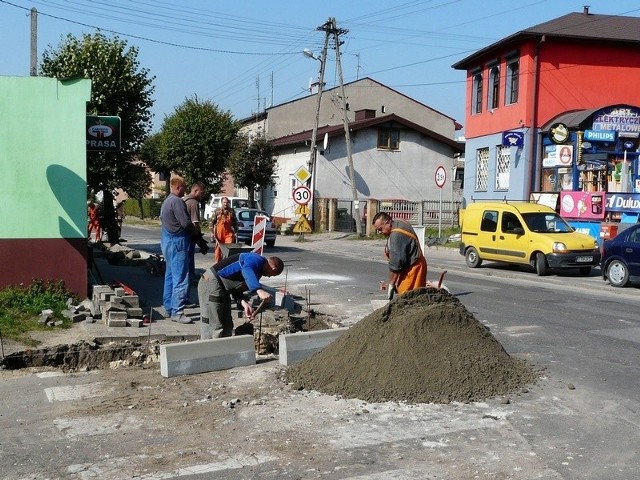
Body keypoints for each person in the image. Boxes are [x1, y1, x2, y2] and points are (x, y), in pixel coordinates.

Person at [197, 253, 284, 339]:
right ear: (273, 269)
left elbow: (237, 285)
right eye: (272, 275)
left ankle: (224, 349)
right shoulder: (256, 260)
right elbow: (247, 270)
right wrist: (259, 290)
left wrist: (243, 302)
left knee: (227, 324)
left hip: (223, 287)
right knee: (214, 324)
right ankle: (209, 351)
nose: (269, 276)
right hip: (210, 282)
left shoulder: (258, 271)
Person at [160, 176, 209, 324]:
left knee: (170, 276)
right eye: (183, 187)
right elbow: (187, 224)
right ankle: (178, 312)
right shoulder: (176, 202)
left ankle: (168, 307)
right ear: (178, 187)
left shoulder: (166, 201)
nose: (185, 190)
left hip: (167, 242)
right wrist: (199, 240)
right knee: (181, 278)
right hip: (178, 243)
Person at [372, 212, 427, 300]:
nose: (380, 232)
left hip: (414, 268)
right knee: (413, 297)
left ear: (388, 222)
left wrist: (391, 284)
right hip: (417, 263)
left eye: (380, 229)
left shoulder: (396, 235)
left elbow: (396, 264)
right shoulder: (398, 222)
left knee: (406, 297)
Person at [183, 181, 207, 286]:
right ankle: (188, 284)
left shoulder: (184, 200)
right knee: (189, 262)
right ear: (195, 191)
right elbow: (195, 222)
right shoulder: (193, 202)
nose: (202, 196)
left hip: (182, 236)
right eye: (201, 193)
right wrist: (200, 240)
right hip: (189, 237)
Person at [210, 196, 238, 263]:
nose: (225, 204)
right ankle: (218, 264)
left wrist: (236, 232)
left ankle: (226, 262)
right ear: (221, 203)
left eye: (227, 202)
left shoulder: (231, 211)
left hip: (228, 233)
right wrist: (212, 232)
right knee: (218, 250)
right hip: (219, 233)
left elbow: (235, 222)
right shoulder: (217, 211)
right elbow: (211, 222)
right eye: (224, 202)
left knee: (228, 248)